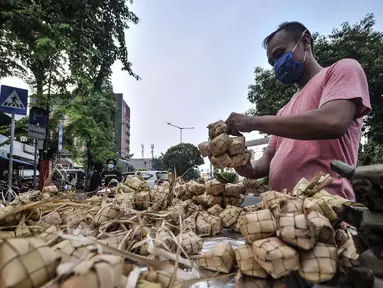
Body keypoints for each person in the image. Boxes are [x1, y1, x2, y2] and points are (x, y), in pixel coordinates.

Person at [224, 22, 371, 201]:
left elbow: (333, 121)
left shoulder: (342, 69)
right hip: (281, 213)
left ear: (305, 42)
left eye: (279, 54)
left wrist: (253, 122)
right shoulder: (283, 111)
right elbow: (265, 163)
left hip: (325, 210)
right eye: (272, 62)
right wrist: (240, 162)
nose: (277, 65)